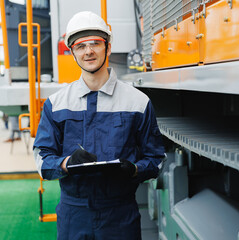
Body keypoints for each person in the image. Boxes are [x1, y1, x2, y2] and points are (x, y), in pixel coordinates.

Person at [33, 11, 165, 240]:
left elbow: (155, 159)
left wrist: (134, 169)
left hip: (120, 214)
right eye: (80, 46)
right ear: (72, 52)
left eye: (95, 43)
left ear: (108, 48)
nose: (89, 51)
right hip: (74, 213)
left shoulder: (138, 102)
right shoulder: (56, 104)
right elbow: (42, 158)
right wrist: (66, 163)